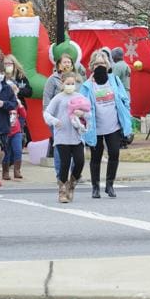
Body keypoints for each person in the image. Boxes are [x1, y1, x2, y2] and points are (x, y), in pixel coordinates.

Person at [80, 49, 132, 199]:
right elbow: (82, 104)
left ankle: (110, 185)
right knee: (96, 157)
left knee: (114, 153)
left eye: (102, 63)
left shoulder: (114, 80)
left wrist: (126, 115)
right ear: (92, 66)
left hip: (113, 125)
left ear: (107, 65)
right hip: (96, 127)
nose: (100, 66)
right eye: (96, 64)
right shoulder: (87, 85)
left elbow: (124, 98)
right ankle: (95, 187)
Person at [44, 72, 87, 203]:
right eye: (68, 84)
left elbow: (88, 113)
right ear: (62, 84)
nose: (70, 86)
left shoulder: (79, 97)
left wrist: (82, 114)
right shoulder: (58, 98)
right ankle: (62, 191)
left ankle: (72, 184)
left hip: (76, 136)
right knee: (65, 163)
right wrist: (54, 121)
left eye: (72, 84)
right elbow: (47, 113)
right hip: (62, 136)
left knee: (80, 161)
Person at [43, 52, 81, 178]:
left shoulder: (78, 79)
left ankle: (75, 174)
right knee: (60, 147)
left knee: (76, 146)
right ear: (59, 65)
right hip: (58, 118)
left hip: (75, 118)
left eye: (69, 62)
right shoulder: (52, 80)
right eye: (64, 62)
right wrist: (49, 117)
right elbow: (47, 98)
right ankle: (61, 173)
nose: (67, 64)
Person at [4, 53, 33, 146]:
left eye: (10, 64)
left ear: (14, 64)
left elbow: (29, 92)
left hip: (19, 107)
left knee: (18, 129)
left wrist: (18, 90)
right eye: (5, 64)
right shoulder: (1, 77)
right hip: (5, 107)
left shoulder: (21, 77)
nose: (7, 66)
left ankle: (17, 150)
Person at [4, 81, 27, 180]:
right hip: (6, 131)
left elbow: (24, 115)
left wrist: (20, 105)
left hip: (16, 131)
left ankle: (17, 170)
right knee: (7, 152)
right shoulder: (5, 103)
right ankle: (5, 172)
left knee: (18, 150)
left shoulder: (16, 103)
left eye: (15, 91)